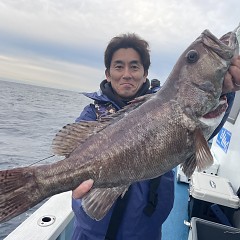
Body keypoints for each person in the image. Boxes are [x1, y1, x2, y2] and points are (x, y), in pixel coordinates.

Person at [72, 33, 240, 240]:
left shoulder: (170, 104)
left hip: (144, 233)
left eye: (134, 67)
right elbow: (71, 158)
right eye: (118, 66)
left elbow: (204, 127)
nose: (126, 74)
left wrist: (226, 91)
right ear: (107, 73)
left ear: (145, 74)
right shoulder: (91, 114)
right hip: (91, 233)